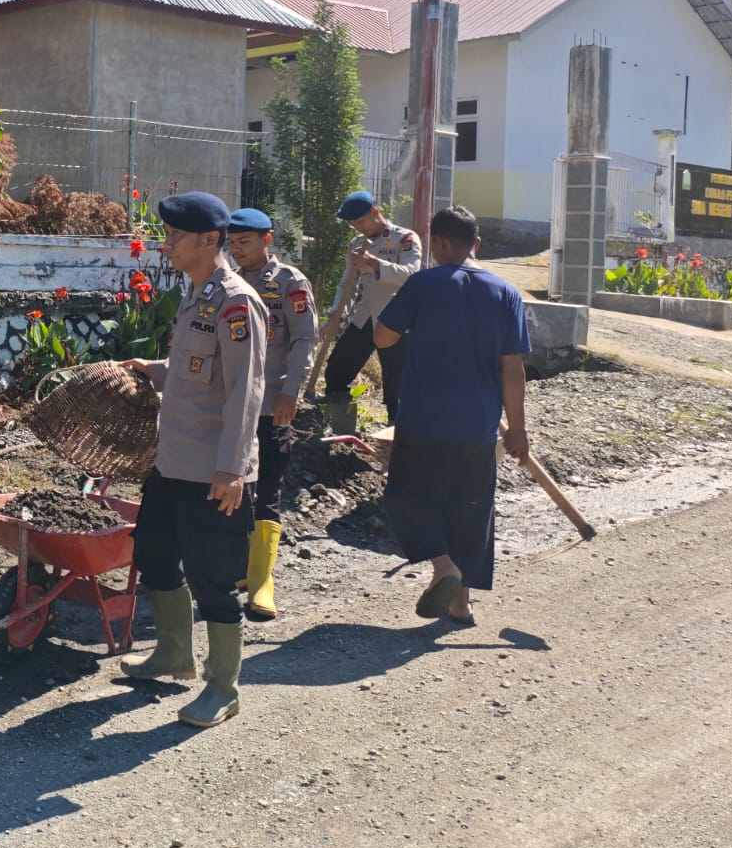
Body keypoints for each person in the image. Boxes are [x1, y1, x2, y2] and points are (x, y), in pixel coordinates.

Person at [118, 192, 267, 729]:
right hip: (172, 462)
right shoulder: (197, 295)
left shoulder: (235, 303)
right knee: (153, 554)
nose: (166, 245)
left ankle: (223, 686)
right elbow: (194, 369)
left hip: (213, 472)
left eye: (176, 236)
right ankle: (174, 654)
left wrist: (232, 468)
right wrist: (153, 369)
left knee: (212, 579)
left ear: (209, 240)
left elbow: (246, 391)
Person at [373, 205, 531, 625]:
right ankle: (461, 604)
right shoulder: (507, 293)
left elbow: (383, 338)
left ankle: (444, 566)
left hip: (424, 420)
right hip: (478, 426)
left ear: (438, 242)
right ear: (476, 244)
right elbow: (512, 370)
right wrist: (518, 431)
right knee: (471, 510)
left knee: (406, 498)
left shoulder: (423, 284)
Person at [226, 207, 317, 619]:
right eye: (232, 244)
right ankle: (240, 568)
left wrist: (291, 392)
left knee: (268, 489)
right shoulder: (227, 283)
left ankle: (262, 583)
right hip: (231, 405)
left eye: (244, 242)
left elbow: (303, 340)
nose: (237, 251)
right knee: (232, 486)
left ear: (267, 239)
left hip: (270, 404)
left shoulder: (288, 283)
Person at [318, 189, 420, 422]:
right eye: (353, 224)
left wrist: (375, 264)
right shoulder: (357, 244)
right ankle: (341, 425)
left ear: (375, 212)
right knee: (336, 371)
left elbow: (411, 274)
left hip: (396, 320)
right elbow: (347, 285)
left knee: (396, 386)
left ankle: (397, 435)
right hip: (365, 317)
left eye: (361, 221)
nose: (358, 227)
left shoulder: (404, 239)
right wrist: (335, 316)